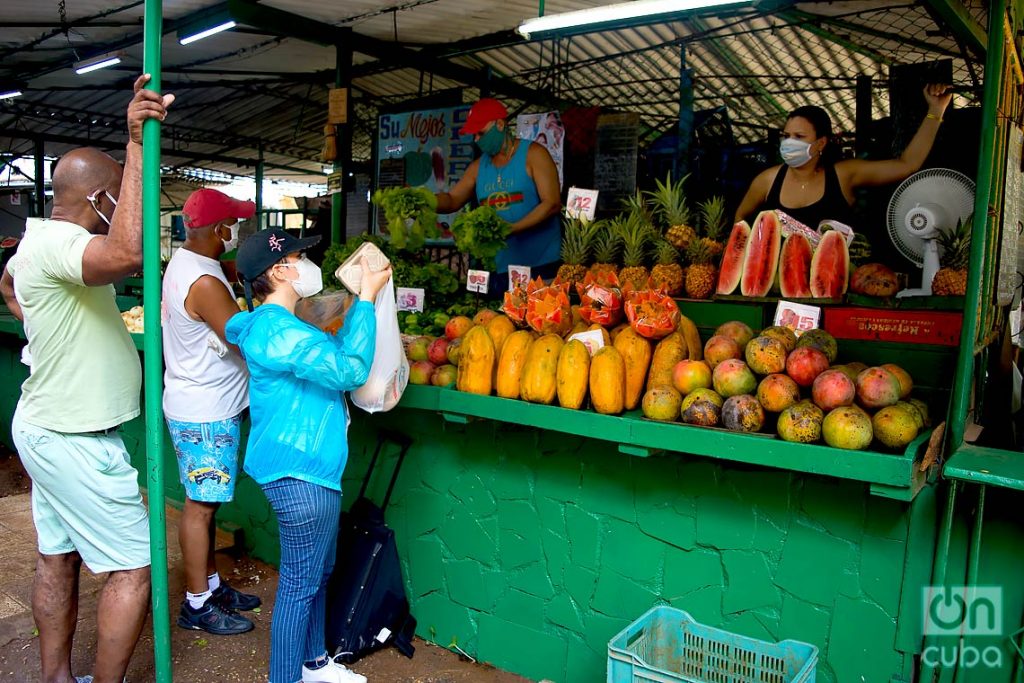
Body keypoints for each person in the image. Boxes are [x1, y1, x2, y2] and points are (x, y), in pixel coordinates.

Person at [0, 74, 173, 683]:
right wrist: (134, 146)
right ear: (101, 198)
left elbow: (12, 291)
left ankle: (54, 679)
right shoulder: (59, 246)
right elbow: (129, 255)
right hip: (72, 435)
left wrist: (30, 314)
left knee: (58, 558)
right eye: (118, 198)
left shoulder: (36, 249)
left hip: (51, 426)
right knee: (134, 566)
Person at [225, 228, 391, 683]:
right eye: (299, 257)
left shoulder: (283, 326)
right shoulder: (277, 331)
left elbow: (325, 356)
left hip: (308, 467)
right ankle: (285, 678)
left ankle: (315, 663)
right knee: (300, 584)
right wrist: (367, 300)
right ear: (279, 270)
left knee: (320, 569)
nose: (306, 265)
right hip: (300, 470)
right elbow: (349, 369)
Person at [162, 188, 261, 636]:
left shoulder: (192, 265)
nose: (235, 232)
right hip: (205, 412)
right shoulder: (203, 282)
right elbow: (241, 337)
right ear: (219, 230)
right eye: (232, 224)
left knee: (209, 502)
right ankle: (197, 603)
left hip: (207, 404)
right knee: (200, 509)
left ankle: (211, 584)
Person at [734, 84, 953, 228]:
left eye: (799, 136)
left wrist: (936, 111)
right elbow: (740, 220)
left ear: (821, 142)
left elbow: (908, 164)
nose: (789, 142)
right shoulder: (767, 181)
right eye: (786, 135)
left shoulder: (844, 174)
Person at [436, 98, 561, 287]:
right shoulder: (478, 167)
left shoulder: (534, 154)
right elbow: (452, 200)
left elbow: (551, 203)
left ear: (500, 124)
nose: (476, 140)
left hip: (543, 267)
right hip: (501, 269)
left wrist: (512, 228)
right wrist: (425, 201)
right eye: (474, 135)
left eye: (481, 133)